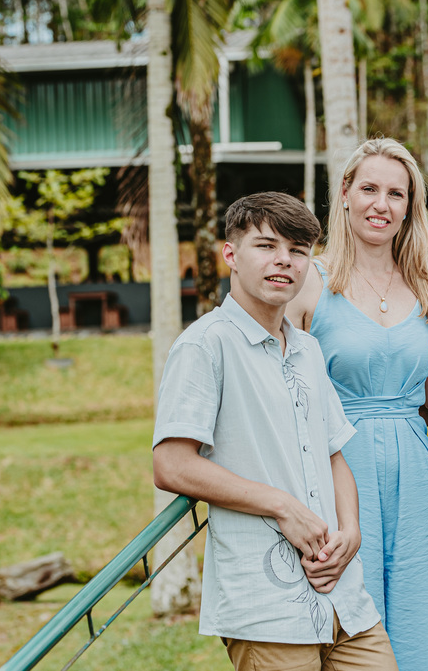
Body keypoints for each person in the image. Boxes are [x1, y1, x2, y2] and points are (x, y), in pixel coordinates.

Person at [152, 192, 397, 671]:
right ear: (230, 254)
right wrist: (283, 506)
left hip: (344, 596)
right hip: (265, 604)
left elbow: (333, 453)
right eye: (266, 246)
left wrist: (351, 531)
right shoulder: (205, 345)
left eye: (298, 250)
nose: (284, 260)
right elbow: (171, 464)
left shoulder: (307, 349)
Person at [288, 138, 428, 671]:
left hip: (418, 479)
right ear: (345, 193)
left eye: (397, 194)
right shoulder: (310, 281)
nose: (381, 204)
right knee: (351, 625)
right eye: (369, 188)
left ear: (410, 206)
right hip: (340, 474)